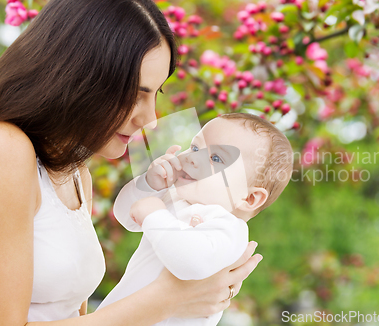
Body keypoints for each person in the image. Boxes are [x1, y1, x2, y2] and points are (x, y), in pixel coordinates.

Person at [0, 0, 262, 324]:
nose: (150, 119)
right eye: (136, 93)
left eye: (156, 93)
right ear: (78, 77)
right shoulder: (3, 150)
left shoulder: (76, 175)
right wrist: (169, 299)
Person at [95, 113, 294, 326]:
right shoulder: (176, 198)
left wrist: (154, 215)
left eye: (216, 158)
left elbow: (191, 263)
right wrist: (149, 184)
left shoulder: (229, 230)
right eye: (196, 148)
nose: (191, 157)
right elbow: (127, 216)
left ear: (249, 197)